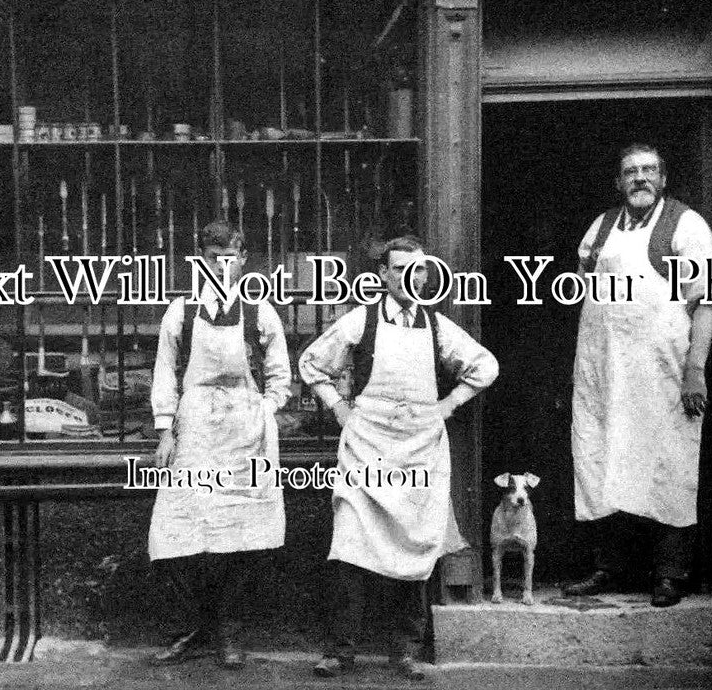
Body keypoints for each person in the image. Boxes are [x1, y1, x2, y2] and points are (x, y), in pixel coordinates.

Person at [298, 235, 498, 680]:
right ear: (385, 275)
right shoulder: (360, 322)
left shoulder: (438, 327)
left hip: (419, 453)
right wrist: (338, 407)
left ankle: (404, 649)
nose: (410, 276)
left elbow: (485, 366)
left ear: (425, 275)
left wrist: (448, 405)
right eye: (400, 268)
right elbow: (312, 363)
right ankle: (339, 650)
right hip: (366, 448)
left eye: (419, 268)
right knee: (349, 546)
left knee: (415, 547)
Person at [564, 143, 712, 608]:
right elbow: (583, 288)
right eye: (630, 171)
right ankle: (607, 568)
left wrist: (695, 370)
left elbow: (707, 298)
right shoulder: (602, 225)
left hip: (662, 374)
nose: (640, 178)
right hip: (606, 371)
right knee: (601, 460)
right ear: (619, 181)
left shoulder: (685, 225)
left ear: (663, 178)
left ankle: (670, 575)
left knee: (667, 463)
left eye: (649, 170)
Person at [146, 220, 292, 668]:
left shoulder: (259, 312)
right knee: (174, 535)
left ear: (243, 260)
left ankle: (229, 634)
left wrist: (263, 411)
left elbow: (280, 374)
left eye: (229, 259)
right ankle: (193, 629)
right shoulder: (182, 312)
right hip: (194, 432)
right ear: (201, 262)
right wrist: (165, 430)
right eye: (212, 259)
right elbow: (165, 372)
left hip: (246, 434)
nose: (220, 266)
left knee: (244, 536)